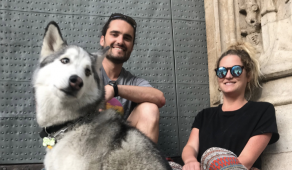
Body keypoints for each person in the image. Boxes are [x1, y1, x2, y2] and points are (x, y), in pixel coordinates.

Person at [182, 42, 279, 170]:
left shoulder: (262, 111)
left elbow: (245, 161)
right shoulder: (204, 115)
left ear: (248, 75)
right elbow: (191, 147)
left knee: (212, 156)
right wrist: (190, 161)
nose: (228, 76)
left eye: (236, 70)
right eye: (222, 71)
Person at [99, 13, 166, 143]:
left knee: (149, 108)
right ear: (102, 40)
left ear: (132, 47)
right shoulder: (84, 72)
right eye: (114, 34)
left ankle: (141, 163)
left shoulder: (133, 82)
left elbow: (160, 98)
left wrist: (114, 89)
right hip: (85, 148)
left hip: (120, 150)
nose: (120, 41)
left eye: (127, 38)